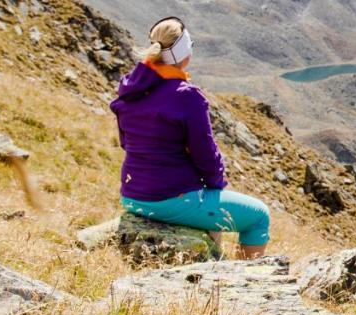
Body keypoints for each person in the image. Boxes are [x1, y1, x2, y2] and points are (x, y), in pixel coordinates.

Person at [110, 16, 270, 259]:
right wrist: (215, 184)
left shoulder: (131, 91)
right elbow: (205, 155)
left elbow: (127, 143)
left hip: (132, 196)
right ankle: (244, 280)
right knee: (259, 216)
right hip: (170, 199)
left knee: (209, 209)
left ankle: (215, 261)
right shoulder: (186, 96)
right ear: (183, 53)